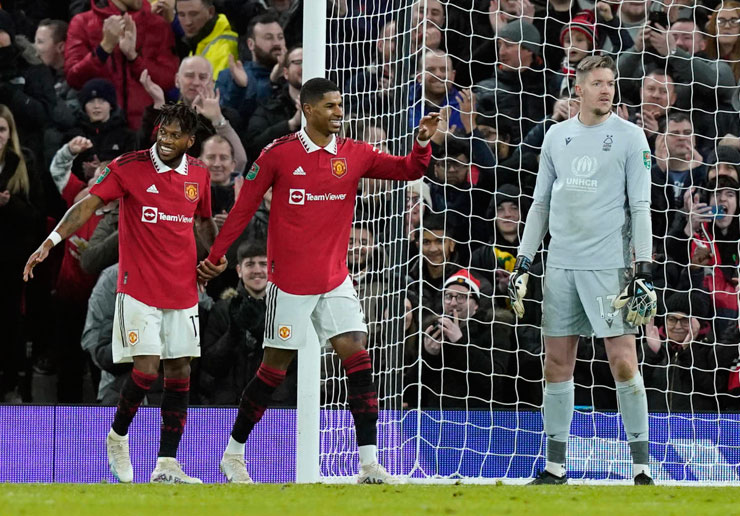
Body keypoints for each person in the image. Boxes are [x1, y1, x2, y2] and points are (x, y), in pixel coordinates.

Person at [197, 77, 439, 484]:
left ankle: (368, 464)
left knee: (358, 360)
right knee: (273, 370)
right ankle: (233, 453)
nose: (339, 113)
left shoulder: (355, 154)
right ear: (308, 109)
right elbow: (243, 208)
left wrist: (421, 142)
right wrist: (217, 254)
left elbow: (408, 169)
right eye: (330, 106)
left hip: (334, 278)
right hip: (289, 282)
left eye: (340, 105)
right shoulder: (278, 154)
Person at [23, 104, 218, 484]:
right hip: (139, 288)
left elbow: (205, 222)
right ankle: (117, 436)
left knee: (179, 371)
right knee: (145, 370)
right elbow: (86, 206)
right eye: (162, 131)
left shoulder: (199, 174)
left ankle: (167, 464)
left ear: (190, 141)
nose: (164, 139)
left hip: (182, 290)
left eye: (174, 134)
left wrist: (214, 259)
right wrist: (50, 242)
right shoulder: (128, 167)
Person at [507, 56, 657, 485]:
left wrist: (642, 266)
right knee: (556, 363)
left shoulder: (631, 138)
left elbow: (640, 206)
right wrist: (524, 261)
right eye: (598, 83)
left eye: (611, 83)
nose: (607, 90)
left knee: (624, 361)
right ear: (578, 89)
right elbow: (540, 204)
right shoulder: (557, 136)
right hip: (561, 266)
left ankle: (642, 467)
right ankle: (555, 466)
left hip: (607, 266)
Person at [64, 0, 179, 129]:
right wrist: (105, 47)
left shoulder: (158, 24)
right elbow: (74, 78)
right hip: (100, 131)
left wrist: (134, 58)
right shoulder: (82, 22)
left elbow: (169, 79)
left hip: (146, 128)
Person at [0, 104, 45, 403]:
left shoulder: (23, 163)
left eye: (2, 129)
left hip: (11, 259)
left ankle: (10, 383)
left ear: (10, 133)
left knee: (9, 321)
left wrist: (9, 204)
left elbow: (39, 215)